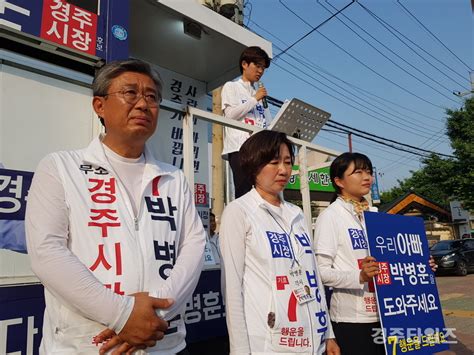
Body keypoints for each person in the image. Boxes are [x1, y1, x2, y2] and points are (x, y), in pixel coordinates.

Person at [25, 59, 206, 354]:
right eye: (130, 93)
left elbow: (194, 245)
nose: (143, 104)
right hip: (84, 346)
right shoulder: (61, 167)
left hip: (162, 343)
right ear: (99, 106)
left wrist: (151, 317)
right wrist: (122, 315)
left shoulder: (173, 177)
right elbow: (47, 252)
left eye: (151, 97)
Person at [220, 130, 340, 354]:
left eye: (288, 162)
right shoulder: (239, 212)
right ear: (254, 166)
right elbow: (232, 288)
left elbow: (312, 276)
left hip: (312, 340)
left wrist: (328, 333)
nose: (284, 170)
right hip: (268, 343)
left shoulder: (297, 214)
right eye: (274, 162)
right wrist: (239, 350)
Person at [313, 152, 437, 355]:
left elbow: (395, 259)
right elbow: (321, 272)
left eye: (369, 172)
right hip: (352, 318)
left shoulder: (376, 216)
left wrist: (421, 265)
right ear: (339, 181)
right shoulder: (330, 216)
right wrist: (359, 276)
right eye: (358, 172)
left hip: (389, 313)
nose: (367, 177)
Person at [221, 46, 271, 198]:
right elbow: (230, 115)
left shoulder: (259, 95)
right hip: (240, 149)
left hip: (260, 151)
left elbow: (267, 124)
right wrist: (254, 99)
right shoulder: (232, 87)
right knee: (244, 194)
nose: (261, 71)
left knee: (262, 194)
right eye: (258, 65)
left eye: (263, 67)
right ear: (244, 64)